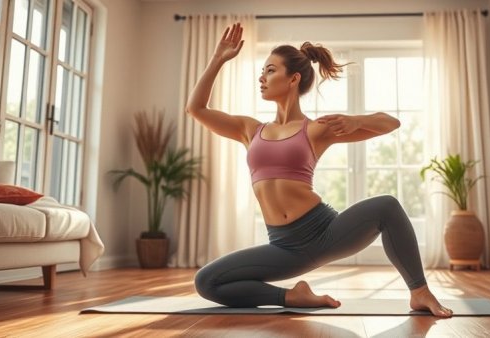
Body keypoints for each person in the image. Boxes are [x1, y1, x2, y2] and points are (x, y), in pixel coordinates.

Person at [185, 23, 453, 317]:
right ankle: (292, 297)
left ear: (293, 78)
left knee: (387, 206)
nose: (262, 77)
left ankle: (419, 291)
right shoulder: (250, 129)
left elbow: (392, 123)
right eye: (263, 71)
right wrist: (218, 58)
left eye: (271, 70)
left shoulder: (315, 130)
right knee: (207, 281)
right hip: (283, 248)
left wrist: (355, 120)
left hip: (325, 233)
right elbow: (196, 109)